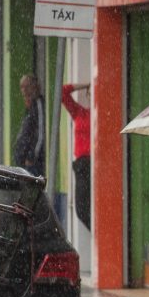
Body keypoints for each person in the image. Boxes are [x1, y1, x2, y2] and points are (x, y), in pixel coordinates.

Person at [62, 82, 91, 230]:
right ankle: (97, 232)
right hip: (81, 164)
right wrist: (86, 85)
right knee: (81, 209)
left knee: (94, 206)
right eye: (90, 94)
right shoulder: (80, 112)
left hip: (95, 164)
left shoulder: (103, 114)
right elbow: (62, 92)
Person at [13, 74, 45, 177]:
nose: (24, 90)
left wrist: (32, 156)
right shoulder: (30, 107)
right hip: (23, 161)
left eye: (26, 86)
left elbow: (41, 133)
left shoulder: (38, 104)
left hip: (32, 163)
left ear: (34, 86)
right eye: (22, 87)